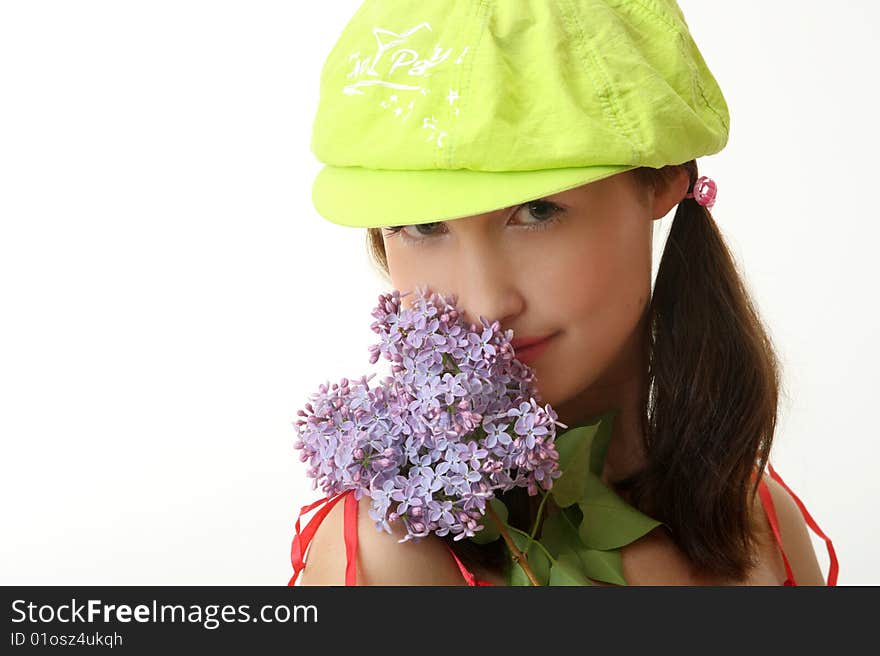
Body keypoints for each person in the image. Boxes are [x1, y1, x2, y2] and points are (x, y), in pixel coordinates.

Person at [290, 0, 838, 586]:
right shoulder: (396, 552)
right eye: (425, 227)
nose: (485, 302)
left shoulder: (760, 526)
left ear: (661, 181)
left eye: (538, 211)